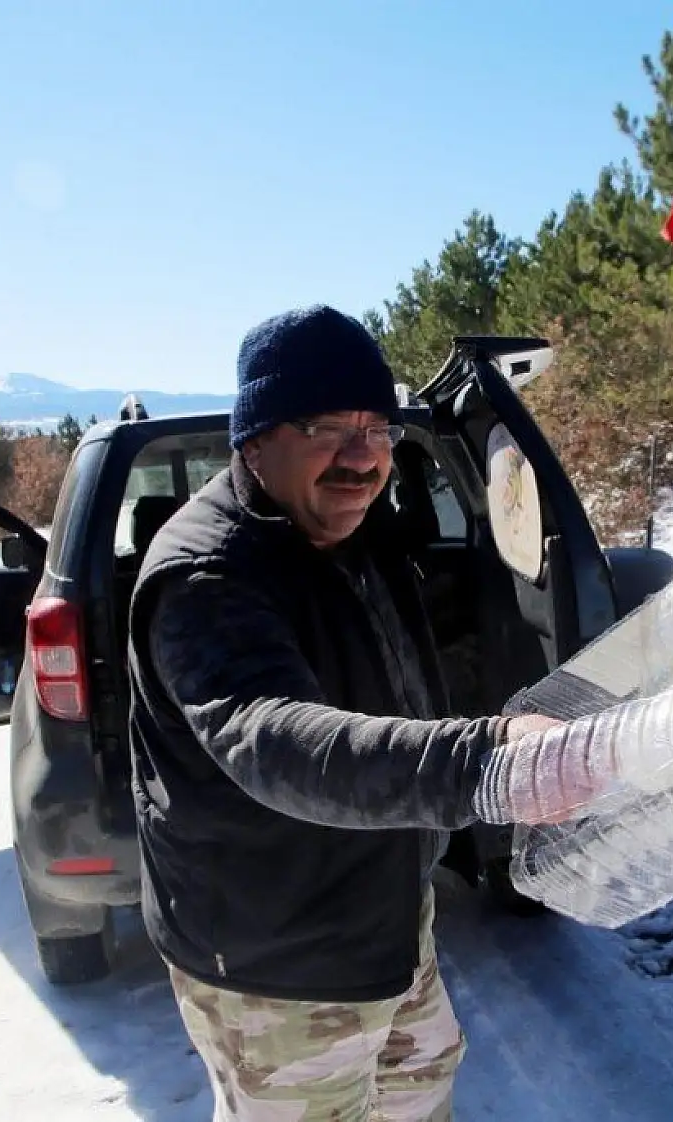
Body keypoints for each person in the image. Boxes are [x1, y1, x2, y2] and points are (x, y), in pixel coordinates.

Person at [126, 304, 562, 1121]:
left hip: (387, 912)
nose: (363, 456)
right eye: (326, 426)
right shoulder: (206, 575)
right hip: (277, 960)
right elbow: (274, 739)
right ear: (255, 437)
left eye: (378, 427)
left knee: (423, 1086)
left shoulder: (355, 531)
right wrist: (487, 762)